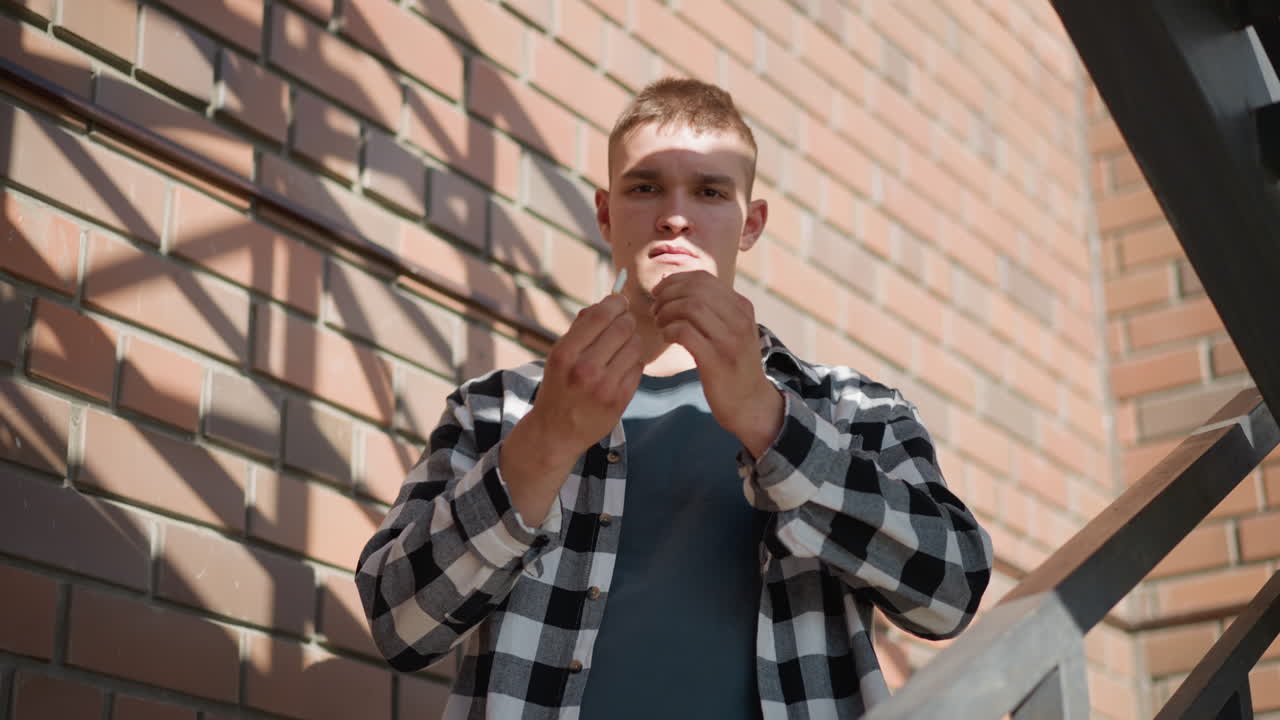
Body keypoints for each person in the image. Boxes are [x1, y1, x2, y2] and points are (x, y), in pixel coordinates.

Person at [357, 77, 993, 719]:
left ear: (752, 224)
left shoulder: (852, 408)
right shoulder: (497, 408)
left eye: (711, 190)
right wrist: (547, 435)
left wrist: (767, 421)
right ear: (605, 213)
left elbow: (952, 593)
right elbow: (399, 626)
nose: (675, 215)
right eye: (646, 187)